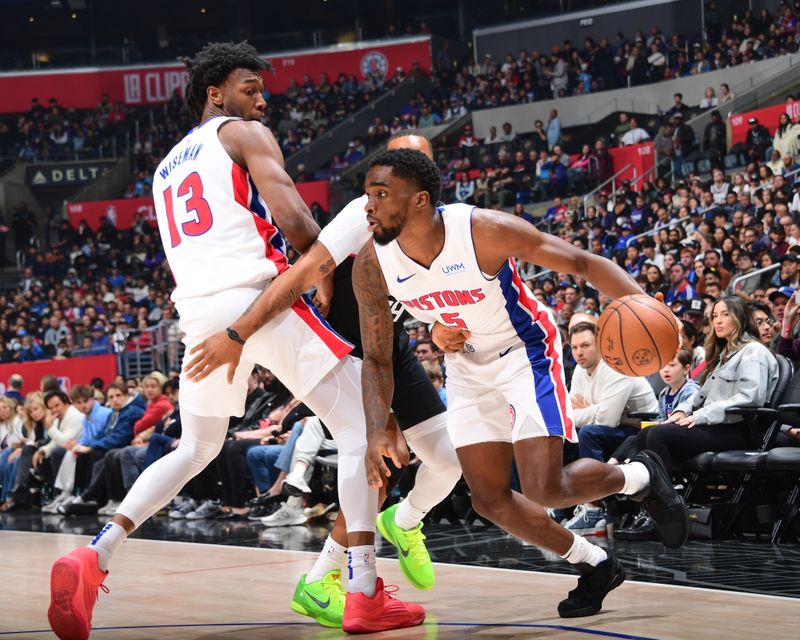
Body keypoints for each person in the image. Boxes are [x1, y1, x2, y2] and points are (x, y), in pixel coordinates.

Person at [48, 41, 423, 640]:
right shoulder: (242, 134)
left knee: (194, 450)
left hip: (197, 318)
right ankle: (363, 592)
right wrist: (320, 274)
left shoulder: (166, 165)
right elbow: (295, 216)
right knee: (360, 425)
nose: (261, 99)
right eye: (251, 88)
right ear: (214, 93)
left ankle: (95, 554)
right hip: (259, 300)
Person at [352, 148, 688, 620]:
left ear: (420, 200)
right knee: (489, 499)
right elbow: (378, 355)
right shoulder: (371, 263)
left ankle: (641, 476)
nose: (368, 205)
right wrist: (377, 427)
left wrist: (649, 307)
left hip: (523, 350)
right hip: (467, 365)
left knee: (544, 487)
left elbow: (582, 263)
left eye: (381, 194)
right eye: (367, 193)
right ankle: (595, 564)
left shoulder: (483, 231)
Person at [183, 130, 462, 624]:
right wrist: (241, 329)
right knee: (375, 468)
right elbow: (309, 261)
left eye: (420, 163)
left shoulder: (433, 223)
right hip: (348, 352)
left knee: (447, 462)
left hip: (393, 350)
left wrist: (441, 327)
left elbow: (430, 294)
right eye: (400, 161)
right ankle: (329, 580)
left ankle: (405, 521)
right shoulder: (363, 213)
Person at [636, 297, 778, 477]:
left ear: (740, 317)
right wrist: (682, 411)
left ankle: (668, 497)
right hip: (718, 426)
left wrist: (701, 415)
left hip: (741, 429)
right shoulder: (726, 354)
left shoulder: (753, 352)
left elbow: (750, 398)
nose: (718, 320)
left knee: (658, 435)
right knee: (644, 434)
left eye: (725, 315)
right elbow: (700, 396)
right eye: (715, 315)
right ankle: (652, 498)